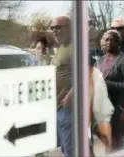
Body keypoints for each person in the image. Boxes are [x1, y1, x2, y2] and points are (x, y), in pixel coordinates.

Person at [96, 30, 124, 151]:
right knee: (108, 142)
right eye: (106, 39)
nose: (109, 42)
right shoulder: (100, 61)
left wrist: (108, 84)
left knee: (116, 142)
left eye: (113, 39)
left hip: (119, 108)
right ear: (102, 42)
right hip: (103, 107)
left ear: (119, 42)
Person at [50, 16, 73, 157]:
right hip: (58, 106)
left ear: (70, 28)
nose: (55, 31)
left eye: (58, 27)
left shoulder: (76, 46)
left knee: (72, 150)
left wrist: (71, 95)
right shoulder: (61, 48)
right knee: (65, 148)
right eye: (52, 28)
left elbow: (87, 74)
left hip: (68, 107)